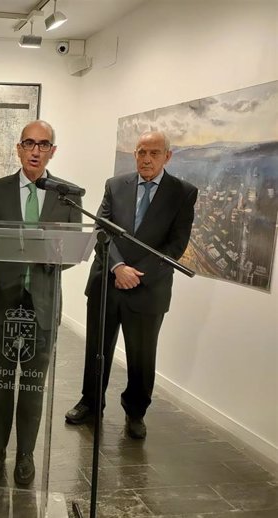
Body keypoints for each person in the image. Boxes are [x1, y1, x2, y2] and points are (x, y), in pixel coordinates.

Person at [0, 120, 82, 485]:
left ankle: (26, 455)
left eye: (43, 144)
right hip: (3, 302)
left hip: (44, 304)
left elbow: (73, 250)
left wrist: (55, 254)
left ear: (52, 151)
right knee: (1, 382)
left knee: (34, 384)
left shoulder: (68, 195)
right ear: (18, 148)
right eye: (29, 143)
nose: (36, 150)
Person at [65, 130, 198, 439]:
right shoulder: (115, 186)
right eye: (141, 152)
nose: (146, 158)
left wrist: (136, 273)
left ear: (168, 156)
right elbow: (101, 230)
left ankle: (136, 412)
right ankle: (90, 402)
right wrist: (118, 266)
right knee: (97, 349)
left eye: (153, 153)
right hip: (106, 282)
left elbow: (175, 245)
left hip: (149, 288)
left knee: (141, 355)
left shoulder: (183, 193)